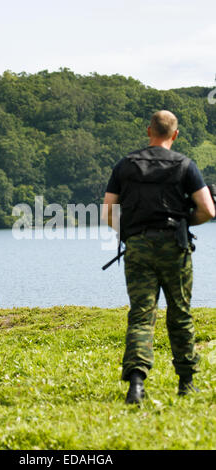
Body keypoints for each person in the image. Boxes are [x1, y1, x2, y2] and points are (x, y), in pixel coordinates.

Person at [102, 110, 215, 404]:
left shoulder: (125, 166)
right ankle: (187, 383)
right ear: (174, 135)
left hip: (138, 248)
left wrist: (129, 232)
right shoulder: (185, 165)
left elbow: (108, 212)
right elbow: (208, 210)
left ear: (148, 131)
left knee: (141, 314)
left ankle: (136, 384)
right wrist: (183, 223)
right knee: (180, 312)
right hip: (175, 248)